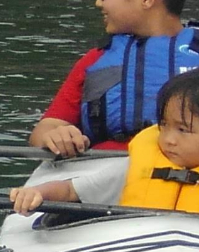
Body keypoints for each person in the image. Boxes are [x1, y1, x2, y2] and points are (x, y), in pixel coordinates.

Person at [29, 0, 199, 158]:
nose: (98, 2)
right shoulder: (95, 60)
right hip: (103, 174)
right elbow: (43, 131)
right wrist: (56, 135)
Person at [11, 68, 199, 215]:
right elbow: (70, 190)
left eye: (183, 129)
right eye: (164, 125)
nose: (168, 139)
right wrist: (38, 193)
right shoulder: (138, 167)